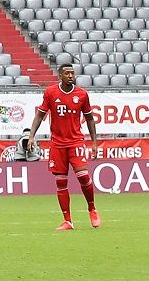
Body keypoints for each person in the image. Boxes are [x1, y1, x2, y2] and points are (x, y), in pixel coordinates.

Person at [28, 59, 102, 230]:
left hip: (76, 141)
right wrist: (32, 136)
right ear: (60, 76)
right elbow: (40, 115)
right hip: (57, 144)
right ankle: (68, 221)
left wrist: (94, 143)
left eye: (72, 73)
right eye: (67, 73)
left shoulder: (82, 94)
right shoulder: (51, 92)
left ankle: (92, 208)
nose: (70, 76)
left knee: (83, 175)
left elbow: (90, 119)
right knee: (61, 182)